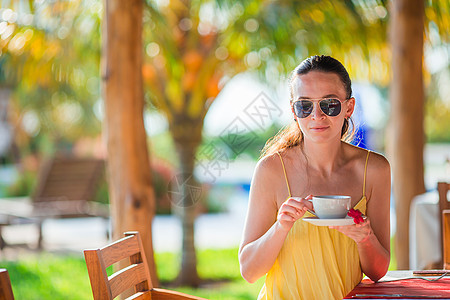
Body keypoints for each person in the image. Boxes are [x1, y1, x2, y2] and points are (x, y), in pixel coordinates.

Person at [238, 55, 391, 299]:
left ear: (348, 107)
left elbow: (377, 272)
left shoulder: (374, 170)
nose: (316, 115)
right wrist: (281, 226)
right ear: (293, 111)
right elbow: (249, 271)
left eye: (329, 104)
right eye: (304, 105)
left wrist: (366, 238)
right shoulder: (271, 170)